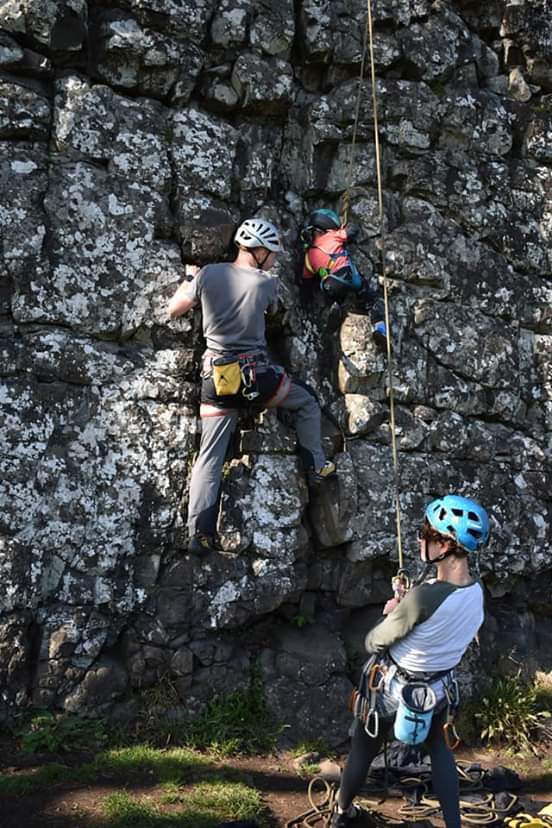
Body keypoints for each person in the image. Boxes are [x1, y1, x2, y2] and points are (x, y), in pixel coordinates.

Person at [168, 217, 336, 555]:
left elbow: (174, 309)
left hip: (216, 379)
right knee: (306, 402)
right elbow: (276, 315)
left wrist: (190, 277)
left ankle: (199, 533)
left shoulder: (207, 274)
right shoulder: (266, 284)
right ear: (258, 252)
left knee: (210, 456)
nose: (274, 259)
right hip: (256, 378)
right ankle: (315, 465)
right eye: (271, 253)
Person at [331, 494, 490, 828]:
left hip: (392, 686)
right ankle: (454, 824)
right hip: (438, 689)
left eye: (425, 533)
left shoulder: (423, 596)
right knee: (441, 753)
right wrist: (408, 610)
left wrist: (393, 612)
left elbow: (375, 641)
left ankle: (342, 814)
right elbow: (440, 621)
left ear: (445, 545)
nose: (419, 538)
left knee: (363, 746)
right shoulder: (476, 592)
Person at [301, 208, 386, 337]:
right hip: (347, 277)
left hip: (329, 286)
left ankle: (336, 308)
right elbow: (353, 230)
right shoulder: (332, 236)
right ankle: (380, 328)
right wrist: (346, 226)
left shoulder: (309, 255)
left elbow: (306, 278)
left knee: (338, 299)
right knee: (370, 298)